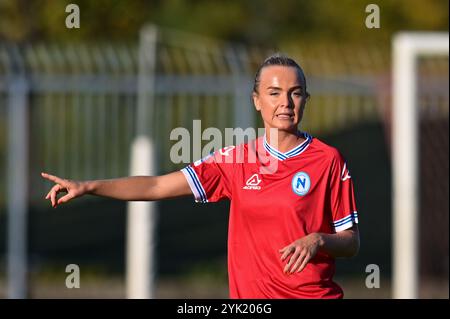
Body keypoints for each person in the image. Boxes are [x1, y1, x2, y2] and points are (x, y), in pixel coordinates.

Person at [42, 53, 360, 299]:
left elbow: (350, 242)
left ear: (306, 99)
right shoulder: (236, 160)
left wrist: (317, 240)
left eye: (295, 93)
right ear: (257, 100)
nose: (285, 103)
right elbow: (155, 185)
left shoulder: (328, 160)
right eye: (274, 93)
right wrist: (88, 186)